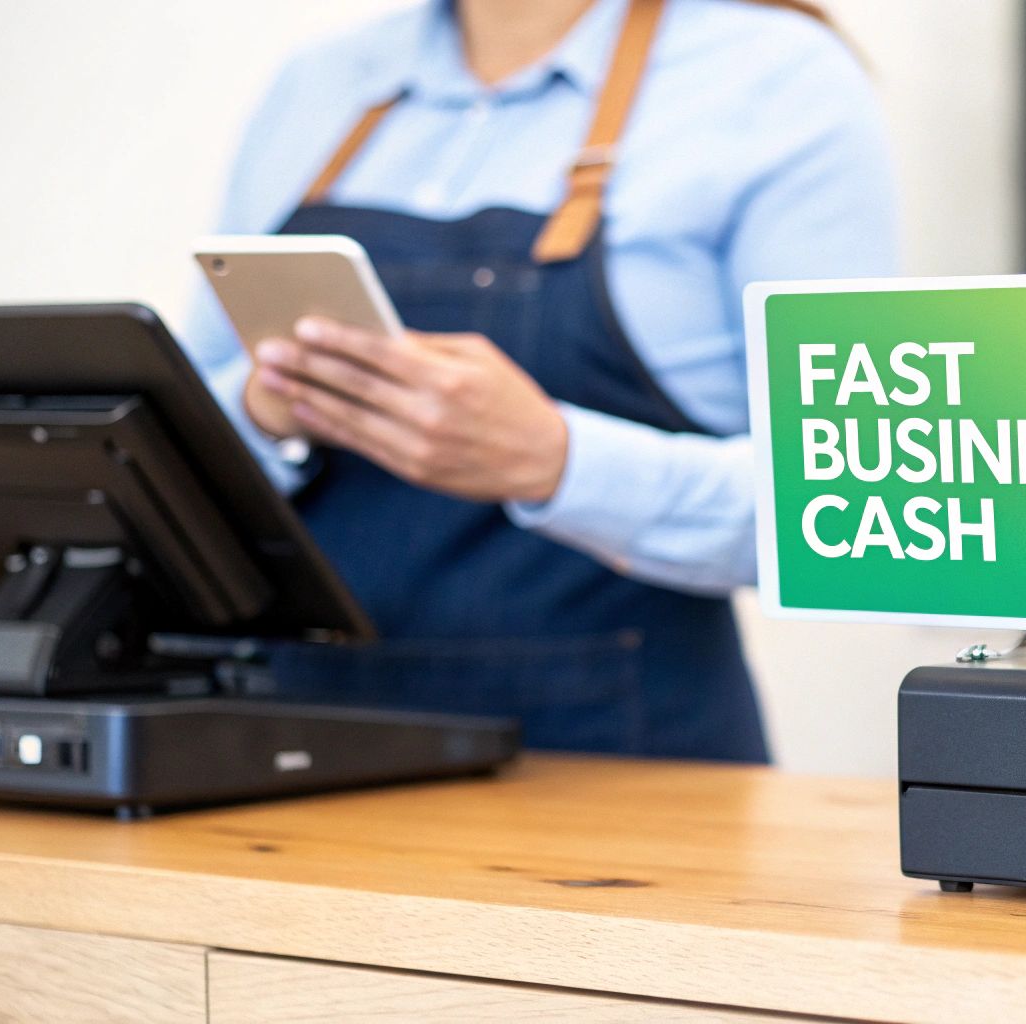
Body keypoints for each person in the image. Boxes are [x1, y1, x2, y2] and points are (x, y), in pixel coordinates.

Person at [181, 0, 897, 762]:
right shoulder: (319, 81)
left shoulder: (776, 79)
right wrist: (263, 411)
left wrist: (558, 462)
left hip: (619, 763)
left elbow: (863, 503)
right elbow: (178, 431)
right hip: (293, 739)